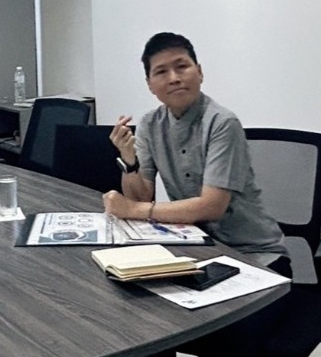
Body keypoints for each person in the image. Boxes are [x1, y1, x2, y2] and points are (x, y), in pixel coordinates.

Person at [103, 32, 290, 357]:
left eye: (182, 66)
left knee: (229, 340)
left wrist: (131, 210)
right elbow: (142, 194)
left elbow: (211, 206)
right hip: (200, 253)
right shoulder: (149, 124)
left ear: (199, 72)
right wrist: (129, 161)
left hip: (257, 258)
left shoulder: (222, 122)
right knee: (142, 323)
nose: (174, 78)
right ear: (150, 84)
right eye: (161, 71)